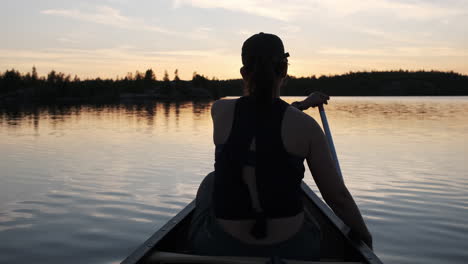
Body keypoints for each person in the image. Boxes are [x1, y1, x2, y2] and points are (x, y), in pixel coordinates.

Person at [188, 32, 372, 260]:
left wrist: (301, 105)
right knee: (306, 203)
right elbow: (338, 198)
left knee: (211, 181)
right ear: (284, 71)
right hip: (295, 249)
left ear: (244, 73)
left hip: (221, 247)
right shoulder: (307, 127)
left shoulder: (220, 110)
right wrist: (366, 238)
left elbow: (261, 118)